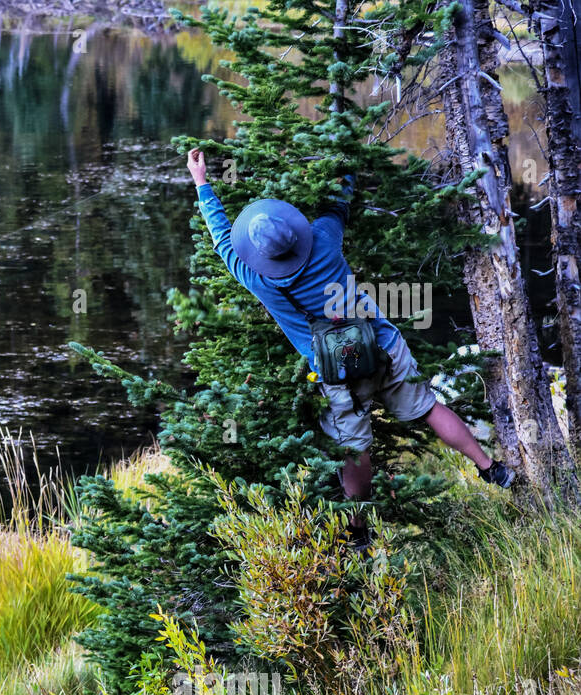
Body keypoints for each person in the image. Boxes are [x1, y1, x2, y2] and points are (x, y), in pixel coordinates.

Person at [186, 148, 515, 547]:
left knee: (356, 450)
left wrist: (202, 181)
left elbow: (222, 239)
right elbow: (339, 202)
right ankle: (491, 468)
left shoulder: (258, 279)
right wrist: (347, 158)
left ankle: (357, 533)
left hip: (339, 371)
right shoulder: (324, 238)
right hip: (384, 343)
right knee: (428, 408)